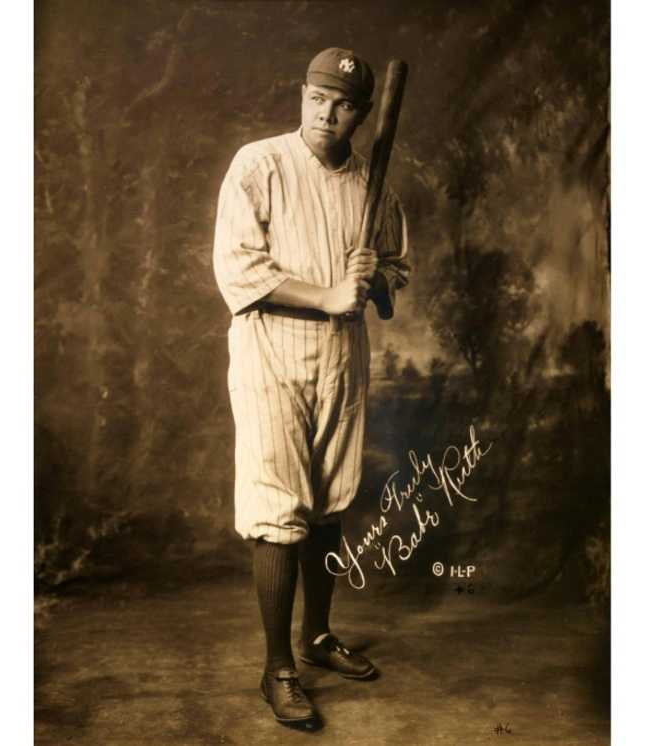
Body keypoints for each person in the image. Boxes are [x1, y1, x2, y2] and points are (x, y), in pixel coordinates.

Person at [212, 47, 411, 727]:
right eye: (318, 98)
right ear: (301, 95)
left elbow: (393, 275)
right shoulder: (259, 164)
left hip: (340, 356)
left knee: (331, 498)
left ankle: (318, 637)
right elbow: (238, 271)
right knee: (278, 502)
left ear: (360, 113)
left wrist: (375, 280)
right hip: (272, 352)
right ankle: (278, 669)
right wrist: (326, 294)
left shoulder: (370, 185)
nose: (328, 113)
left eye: (345, 104)